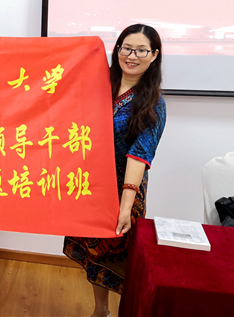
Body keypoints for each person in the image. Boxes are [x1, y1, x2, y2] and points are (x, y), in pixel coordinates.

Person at [63, 23, 166, 317]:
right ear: (117, 50)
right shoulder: (98, 84)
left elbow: (139, 155)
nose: (132, 56)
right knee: (94, 256)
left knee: (121, 260)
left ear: (154, 55)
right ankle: (100, 311)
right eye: (126, 48)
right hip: (89, 186)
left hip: (124, 192)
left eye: (141, 50)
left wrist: (125, 205)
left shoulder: (154, 103)